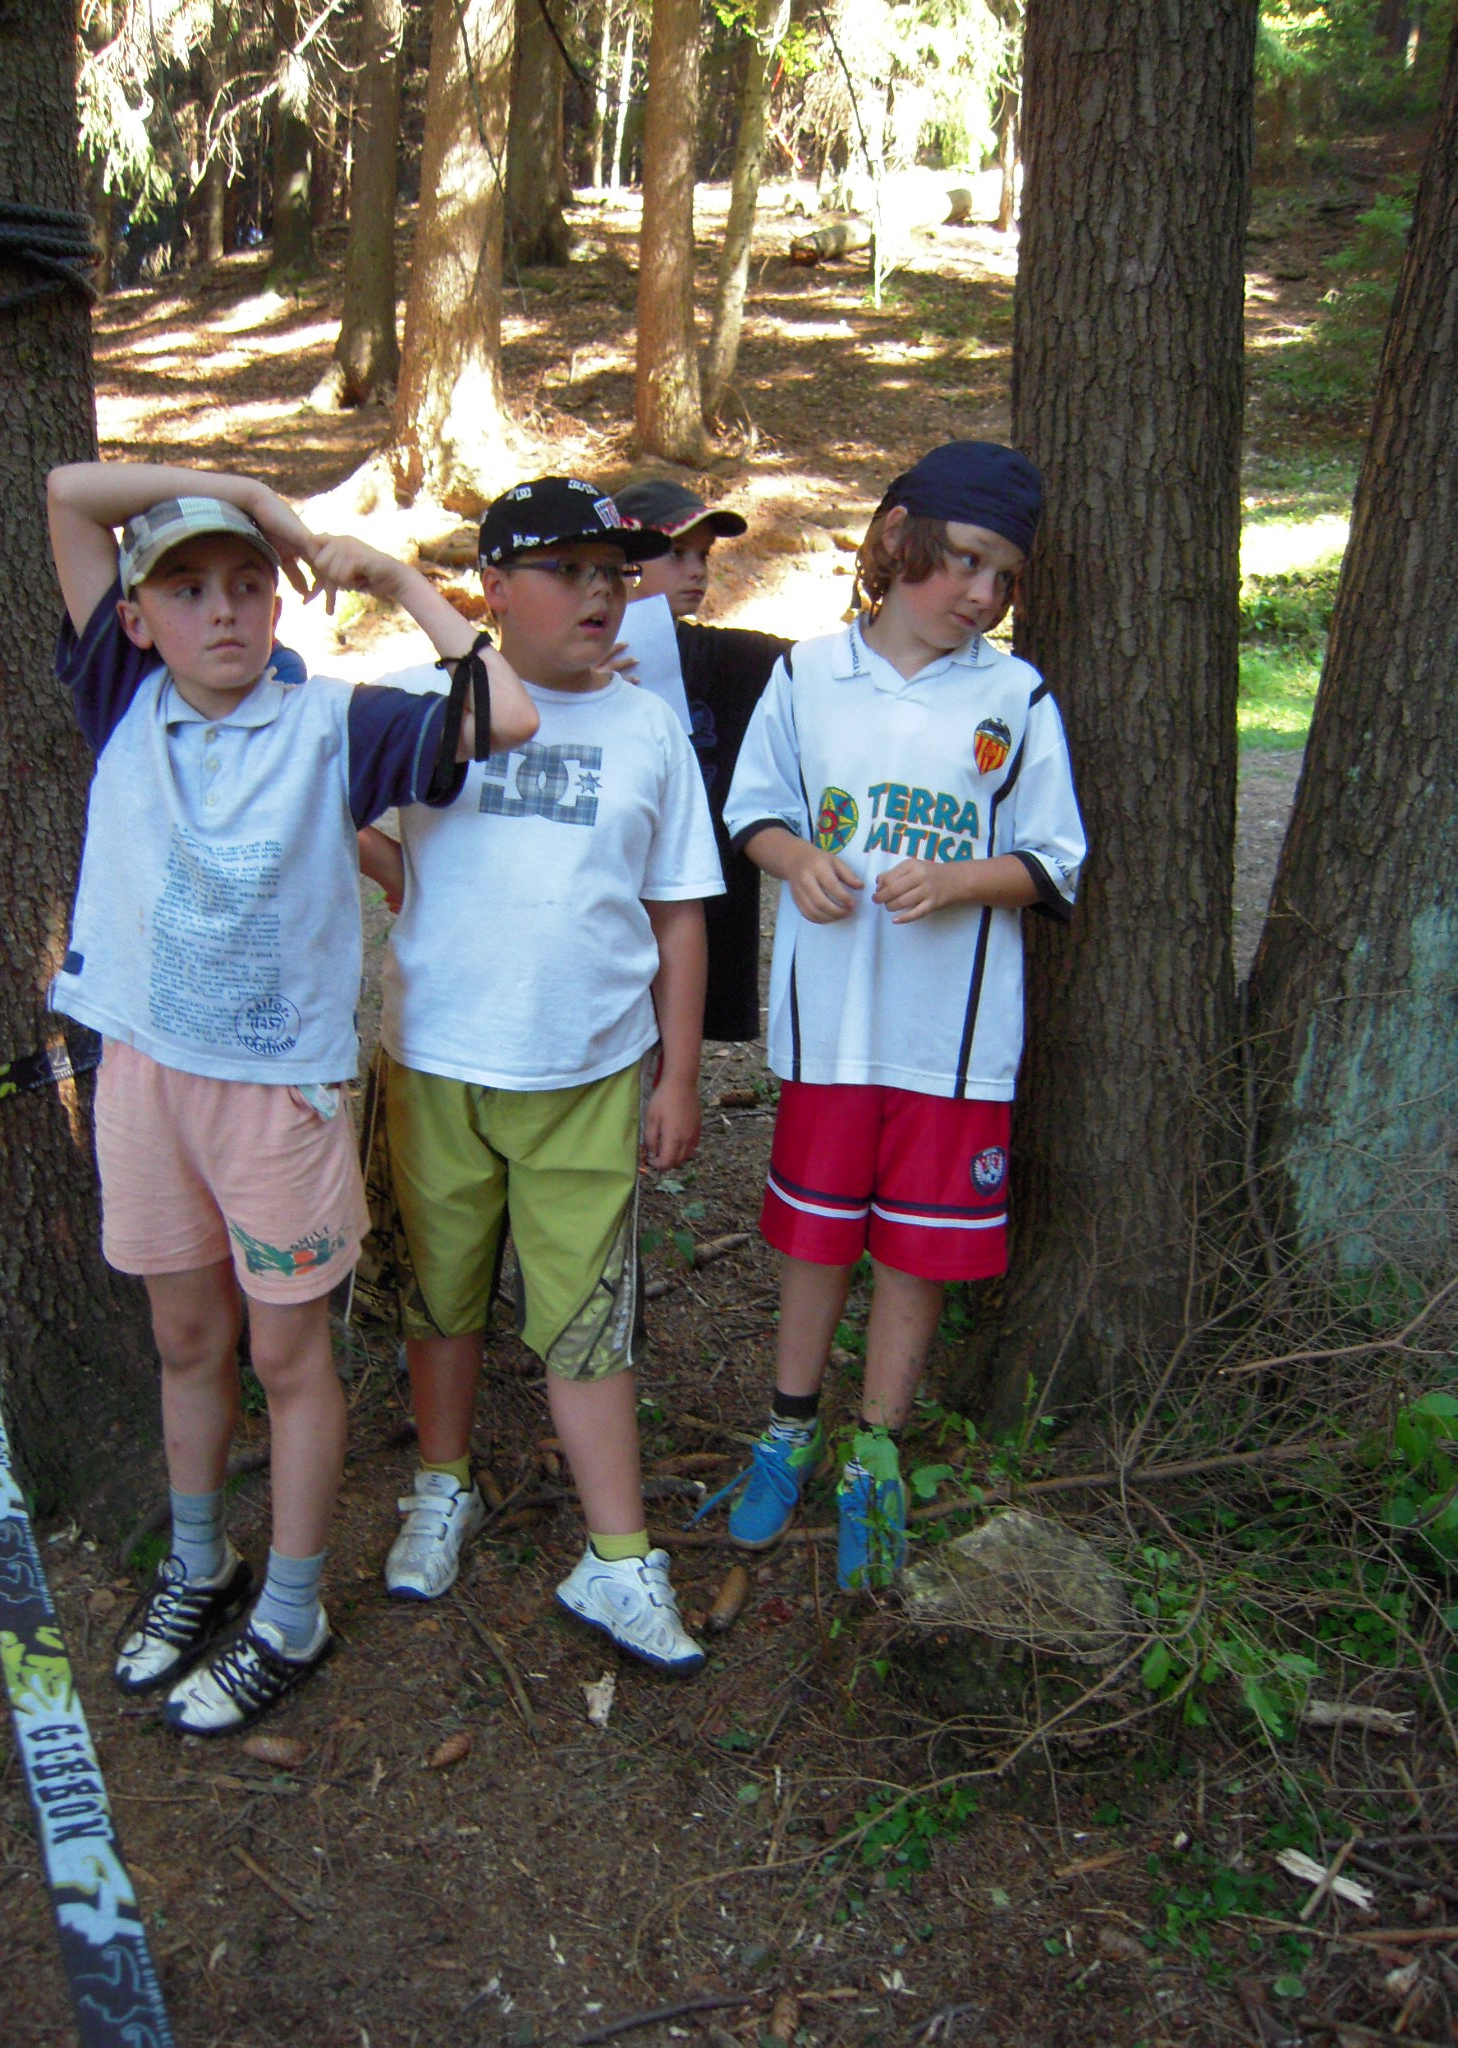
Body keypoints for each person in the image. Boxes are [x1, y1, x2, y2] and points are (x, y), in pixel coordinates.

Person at [45, 460, 537, 1732]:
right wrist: (244, 494)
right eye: (186, 590)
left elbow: (507, 715)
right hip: (144, 1074)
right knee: (186, 1337)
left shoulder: (335, 722)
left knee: (284, 1351)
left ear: (280, 603)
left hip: (277, 1097)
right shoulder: (123, 696)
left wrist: (400, 579)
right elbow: (67, 491)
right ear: (136, 617)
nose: (222, 611)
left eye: (248, 584)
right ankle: (199, 1560)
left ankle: (294, 1606)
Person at [714, 442, 1086, 1588]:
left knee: (914, 1254)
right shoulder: (808, 674)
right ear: (896, 537)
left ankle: (874, 1454)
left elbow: (1054, 857)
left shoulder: (1014, 696)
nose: (982, 592)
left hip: (952, 1048)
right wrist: (799, 861)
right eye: (965, 559)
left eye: (1004, 575)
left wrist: (962, 878)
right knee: (817, 1237)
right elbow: (754, 811)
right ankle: (788, 1430)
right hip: (832, 1030)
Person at [376, 476, 724, 1675]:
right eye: (566, 571)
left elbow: (679, 911)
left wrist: (680, 1074)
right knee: (441, 1292)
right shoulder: (424, 700)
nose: (599, 594)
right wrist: (388, 869)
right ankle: (442, 1481)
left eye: (613, 575)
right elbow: (343, 806)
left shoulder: (647, 728)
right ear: (491, 589)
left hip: (588, 1068)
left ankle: (618, 1555)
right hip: (436, 1060)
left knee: (586, 1313)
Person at [612, 480, 791, 1043]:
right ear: (624, 559)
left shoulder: (726, 660)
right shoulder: (559, 665)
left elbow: (826, 668)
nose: (696, 571)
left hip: (696, 914)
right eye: (676, 553)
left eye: (703, 556)